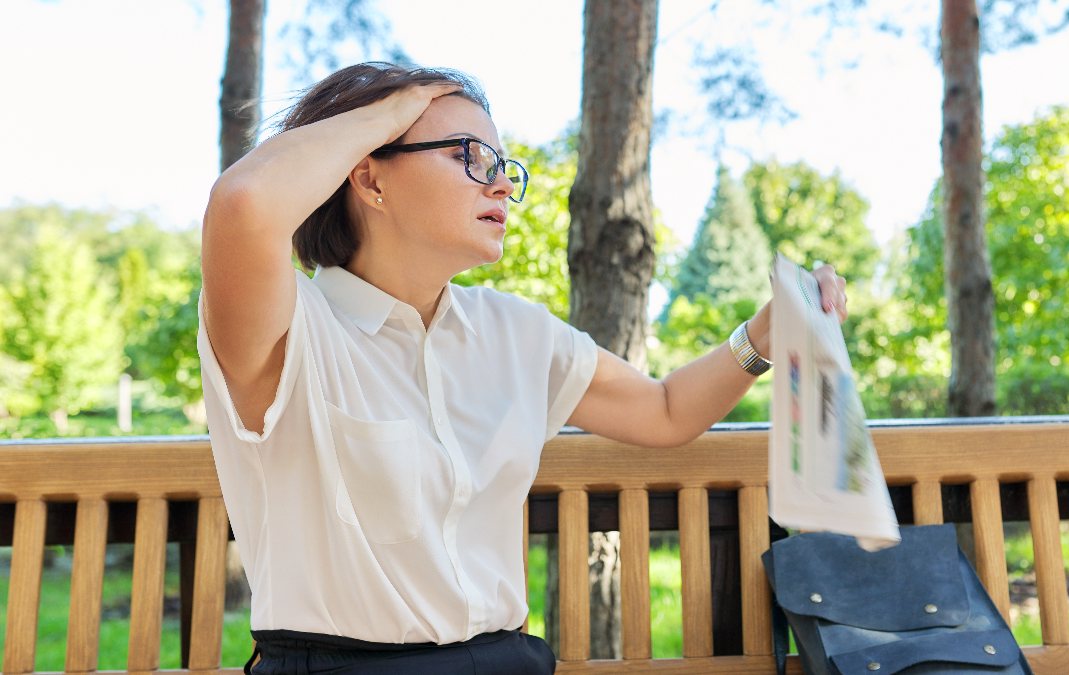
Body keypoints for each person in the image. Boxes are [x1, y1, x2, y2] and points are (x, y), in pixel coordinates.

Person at [198, 61, 848, 674]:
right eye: (469, 156)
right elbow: (245, 203)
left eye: (502, 163)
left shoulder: (515, 331)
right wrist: (396, 104)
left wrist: (764, 335)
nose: (502, 183)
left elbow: (666, 410)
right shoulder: (289, 330)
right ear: (369, 178)